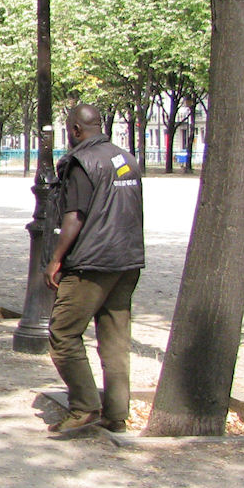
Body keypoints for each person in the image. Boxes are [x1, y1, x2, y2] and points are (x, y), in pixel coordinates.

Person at [43, 103, 145, 437]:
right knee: (115, 340)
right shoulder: (126, 159)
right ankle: (116, 414)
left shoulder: (82, 162)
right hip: (127, 260)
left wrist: (56, 259)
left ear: (75, 130)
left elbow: (74, 217)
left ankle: (85, 406)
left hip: (92, 263)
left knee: (63, 333)